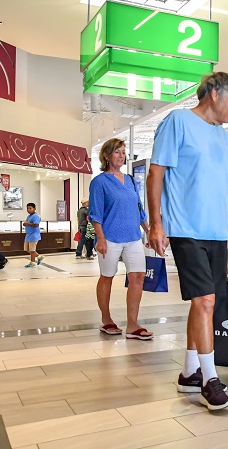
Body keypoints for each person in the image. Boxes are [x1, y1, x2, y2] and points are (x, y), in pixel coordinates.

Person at [147, 71, 228, 411]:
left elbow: (227, 188)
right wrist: (156, 224)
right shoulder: (177, 122)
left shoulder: (222, 139)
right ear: (215, 93)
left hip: (214, 231)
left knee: (204, 303)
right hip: (184, 227)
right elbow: (156, 173)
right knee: (205, 301)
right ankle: (210, 379)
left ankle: (190, 371)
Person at [90, 138, 152, 341]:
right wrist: (100, 238)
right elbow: (95, 213)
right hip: (110, 238)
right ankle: (106, 319)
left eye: (123, 152)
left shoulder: (131, 180)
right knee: (107, 276)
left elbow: (139, 208)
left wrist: (148, 230)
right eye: (117, 152)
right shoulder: (99, 182)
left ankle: (133, 325)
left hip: (133, 237)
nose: (121, 155)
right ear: (106, 155)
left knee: (138, 277)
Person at [22, 202, 44, 268]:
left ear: (34, 209)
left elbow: (36, 224)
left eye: (30, 208)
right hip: (28, 235)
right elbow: (26, 222)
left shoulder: (35, 216)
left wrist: (27, 224)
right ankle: (39, 257)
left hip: (33, 235)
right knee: (26, 249)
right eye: (27, 208)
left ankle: (33, 262)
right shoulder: (29, 216)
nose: (28, 210)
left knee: (32, 250)